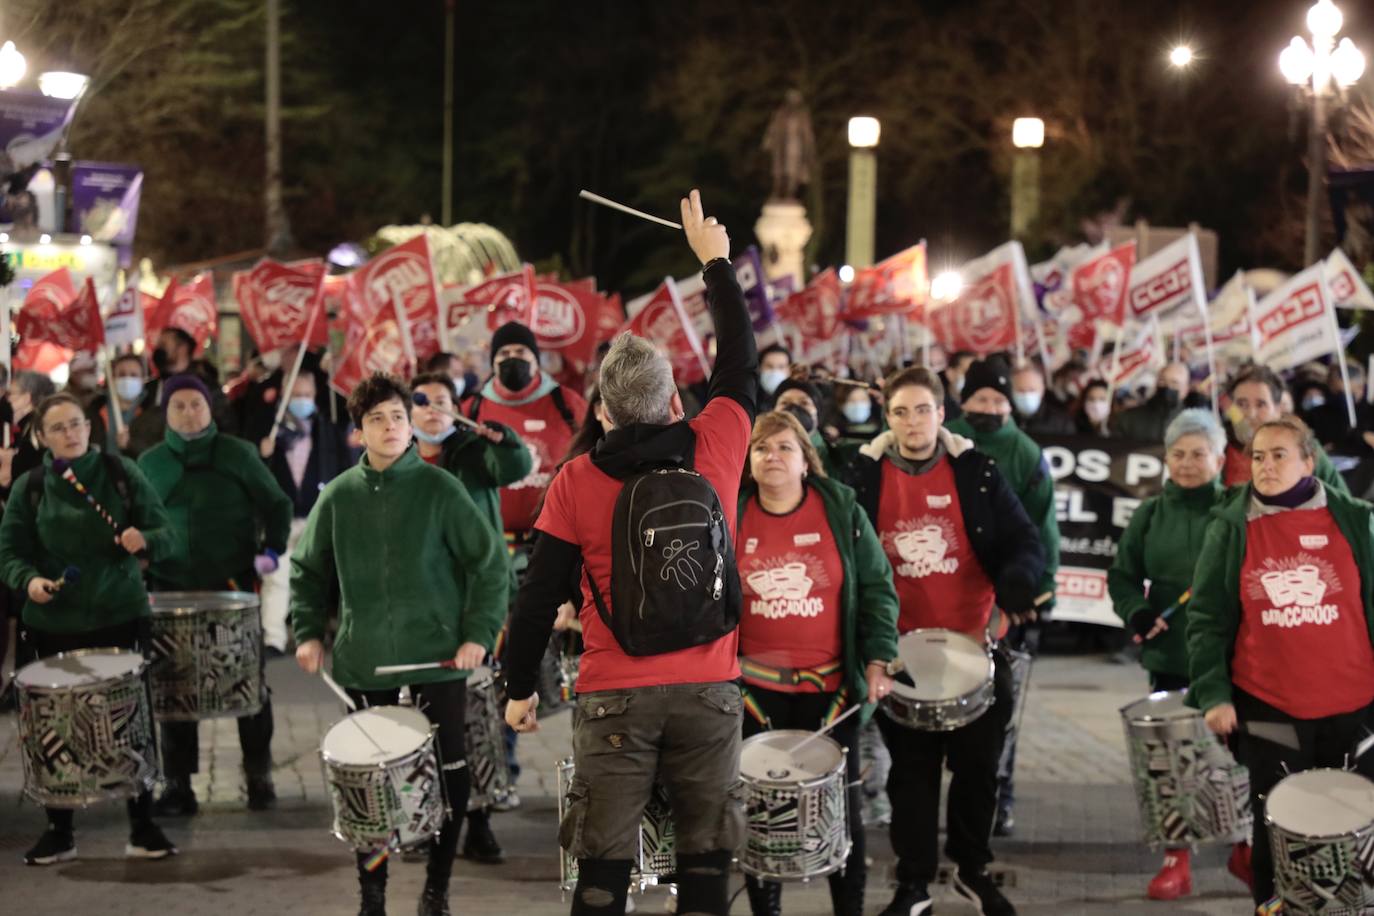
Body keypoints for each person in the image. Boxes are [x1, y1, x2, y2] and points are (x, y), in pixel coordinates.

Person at [501, 189, 756, 916]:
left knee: (603, 871)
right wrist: (715, 263)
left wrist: (519, 689)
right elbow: (738, 361)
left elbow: (538, 595)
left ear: (603, 412)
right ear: (677, 402)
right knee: (706, 866)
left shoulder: (576, 480)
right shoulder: (718, 442)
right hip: (711, 685)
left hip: (615, 695)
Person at [291, 372, 507, 916]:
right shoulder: (339, 496)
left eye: (398, 417)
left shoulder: (441, 489)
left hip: (440, 659)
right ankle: (373, 894)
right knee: (368, 785)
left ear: (412, 426)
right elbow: (307, 571)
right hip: (366, 664)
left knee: (454, 774)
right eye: (376, 419)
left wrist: (477, 636)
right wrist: (308, 632)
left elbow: (488, 566)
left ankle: (437, 888)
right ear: (359, 432)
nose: (390, 427)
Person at [847, 366, 1044, 916]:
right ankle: (913, 884)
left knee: (979, 768)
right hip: (899, 652)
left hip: (973, 647)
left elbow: (1023, 539)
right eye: (900, 411)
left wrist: (1019, 580)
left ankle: (972, 869)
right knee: (911, 776)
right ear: (888, 418)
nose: (913, 422)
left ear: (941, 413)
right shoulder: (861, 477)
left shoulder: (977, 472)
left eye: (923, 410)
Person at [1186, 415, 1374, 912]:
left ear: (1309, 462)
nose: (1266, 465)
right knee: (1280, 822)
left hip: (1354, 704)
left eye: (1279, 455)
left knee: (1352, 822)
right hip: (1269, 704)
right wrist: (1215, 695)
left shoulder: (1356, 519)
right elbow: (1206, 619)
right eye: (1258, 456)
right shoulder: (1231, 527)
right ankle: (1272, 906)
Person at [0, 392, 179, 864]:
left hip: (120, 615)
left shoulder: (123, 474)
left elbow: (168, 534)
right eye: (58, 428)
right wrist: (29, 580)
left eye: (77, 423)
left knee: (130, 722)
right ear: (41, 437)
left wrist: (147, 540)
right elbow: (9, 552)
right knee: (53, 728)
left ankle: (142, 824)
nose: (71, 433)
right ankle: (60, 828)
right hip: (53, 625)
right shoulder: (31, 487)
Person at [736, 409, 899, 916]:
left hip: (831, 697)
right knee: (763, 816)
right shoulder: (730, 510)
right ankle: (768, 910)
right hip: (754, 697)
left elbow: (876, 589)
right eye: (761, 448)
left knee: (841, 815)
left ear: (807, 460)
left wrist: (879, 658)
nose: (772, 457)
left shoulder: (842, 510)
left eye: (785, 447)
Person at [1107, 409, 1252, 900]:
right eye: (1178, 454)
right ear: (1166, 458)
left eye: (1198, 454)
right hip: (1170, 656)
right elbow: (1122, 576)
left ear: (1219, 457)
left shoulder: (1238, 509)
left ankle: (1247, 849)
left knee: (1238, 759)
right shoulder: (1150, 513)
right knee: (1171, 762)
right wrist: (1139, 613)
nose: (1187, 463)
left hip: (1234, 658)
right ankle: (1177, 859)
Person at [137, 373, 293, 815]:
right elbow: (136, 517)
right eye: (179, 406)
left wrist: (272, 549)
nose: (189, 413)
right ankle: (179, 784)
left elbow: (277, 503)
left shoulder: (238, 454)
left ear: (210, 409)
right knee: (174, 688)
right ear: (165, 412)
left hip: (233, 587)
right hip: (170, 589)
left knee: (246, 683)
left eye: (196, 405)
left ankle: (258, 774)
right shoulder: (149, 462)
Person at [410, 369, 530, 861]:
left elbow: (516, 465)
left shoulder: (474, 452)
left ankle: (479, 820)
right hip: (421, 608)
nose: (434, 409)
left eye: (444, 400)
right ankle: (423, 819)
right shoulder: (394, 460)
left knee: (479, 716)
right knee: (421, 718)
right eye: (423, 401)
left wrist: (505, 440)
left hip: (477, 602)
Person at [944, 356, 1060, 835]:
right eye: (981, 398)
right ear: (964, 400)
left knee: (1001, 713)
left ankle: (1000, 797)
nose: (990, 406)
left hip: (1006, 602)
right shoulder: (944, 438)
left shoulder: (1026, 453)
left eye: (998, 399)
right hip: (946, 597)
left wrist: (1041, 587)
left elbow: (1043, 525)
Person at [257, 370, 355, 654]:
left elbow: (343, 471)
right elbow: (255, 475)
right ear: (285, 395)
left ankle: (313, 633)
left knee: (317, 579)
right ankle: (273, 638)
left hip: (317, 516)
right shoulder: (269, 430)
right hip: (280, 517)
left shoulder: (327, 429)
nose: (302, 401)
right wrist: (263, 454)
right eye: (296, 395)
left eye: (307, 395)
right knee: (276, 578)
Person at [464, 321, 588, 544]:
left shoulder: (567, 403)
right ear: (493, 362)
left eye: (521, 351)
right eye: (504, 352)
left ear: (536, 360)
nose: (513, 357)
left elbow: (595, 450)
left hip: (558, 540)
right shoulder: (471, 410)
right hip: (494, 542)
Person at [1222, 365, 1348, 494]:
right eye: (1241, 404)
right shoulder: (1217, 450)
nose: (1250, 414)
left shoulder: (1304, 447)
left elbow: (1343, 502)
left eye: (1261, 404)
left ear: (1278, 409)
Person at [87, 354, 164, 458]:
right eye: (122, 374)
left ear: (142, 380)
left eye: (133, 375)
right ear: (112, 378)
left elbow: (159, 455)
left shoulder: (154, 413)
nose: (127, 379)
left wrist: (130, 445)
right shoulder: (95, 409)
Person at [0, 371, 57, 496]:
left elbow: (21, 476)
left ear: (26, 398)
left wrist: (8, 460)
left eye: (10, 394)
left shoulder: (36, 429)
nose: (5, 399)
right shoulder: (29, 426)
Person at [1111, 363, 1188, 443]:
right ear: (1155, 384)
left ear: (1185, 390)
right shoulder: (1129, 419)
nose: (1168, 386)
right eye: (1162, 381)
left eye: (1174, 383)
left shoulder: (1195, 423)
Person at [1010, 362, 1074, 435]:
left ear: (1042, 390)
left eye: (1032, 390)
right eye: (1020, 390)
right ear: (1012, 391)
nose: (1026, 395)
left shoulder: (1062, 422)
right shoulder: (1004, 420)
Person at [939, 350, 976, 420]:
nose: (972, 378)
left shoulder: (980, 406)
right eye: (966, 372)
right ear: (950, 373)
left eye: (975, 373)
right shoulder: (937, 404)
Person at [757, 343, 792, 412]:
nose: (775, 372)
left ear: (789, 370)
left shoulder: (797, 401)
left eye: (781, 367)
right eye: (769, 366)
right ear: (759, 368)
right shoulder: (749, 399)